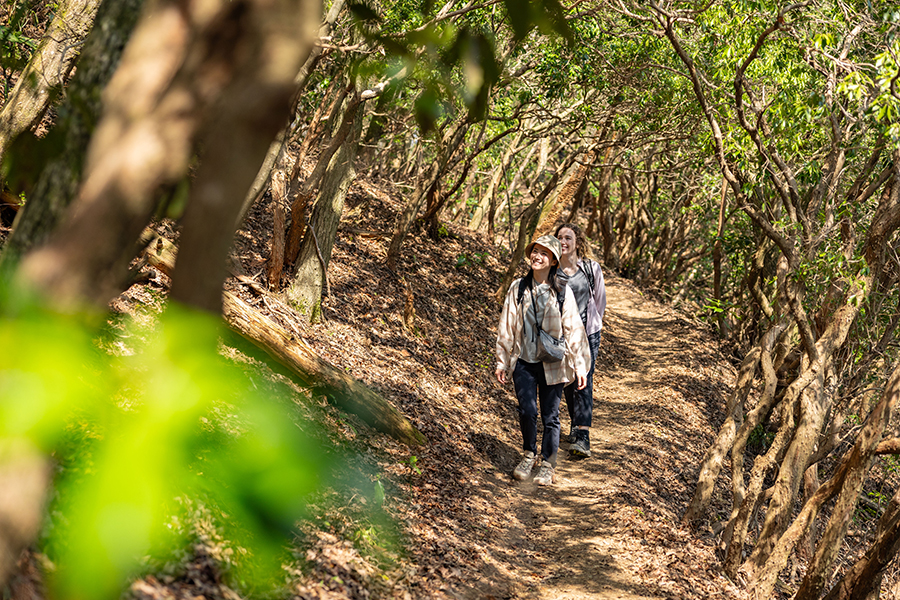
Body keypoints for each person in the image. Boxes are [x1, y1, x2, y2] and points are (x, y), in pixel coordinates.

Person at [495, 234, 591, 485]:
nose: (537, 256)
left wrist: (580, 366)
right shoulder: (518, 287)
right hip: (525, 360)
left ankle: (547, 463)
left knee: (551, 416)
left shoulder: (561, 291)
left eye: (544, 253)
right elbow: (507, 325)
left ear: (554, 262)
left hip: (554, 363)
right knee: (527, 410)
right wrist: (502, 360)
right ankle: (528, 454)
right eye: (535, 251)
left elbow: (574, 329)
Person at [554, 223, 607, 458]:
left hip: (588, 334)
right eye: (560, 238)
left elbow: (600, 302)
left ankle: (583, 435)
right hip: (561, 335)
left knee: (583, 379)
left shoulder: (590, 268)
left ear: (578, 242)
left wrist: (591, 327)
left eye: (568, 238)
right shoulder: (551, 269)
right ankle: (575, 425)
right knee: (568, 379)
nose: (564, 242)